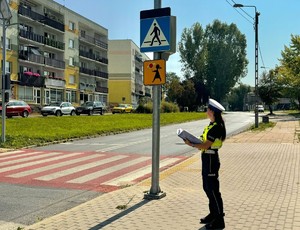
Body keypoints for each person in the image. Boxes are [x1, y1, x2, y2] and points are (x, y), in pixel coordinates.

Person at [184, 98, 226, 229]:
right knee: (207, 188)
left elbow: (206, 145)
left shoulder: (216, 128)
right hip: (207, 159)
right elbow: (203, 142)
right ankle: (213, 214)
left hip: (211, 160)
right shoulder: (211, 125)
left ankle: (219, 220)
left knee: (213, 190)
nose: (206, 111)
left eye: (208, 109)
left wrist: (191, 143)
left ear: (212, 111)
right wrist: (195, 142)